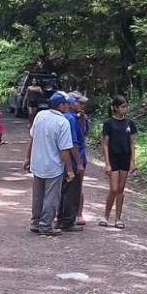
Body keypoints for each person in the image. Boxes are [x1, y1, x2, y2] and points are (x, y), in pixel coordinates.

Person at [23, 102, 74, 236]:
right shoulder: (63, 122)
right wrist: (69, 169)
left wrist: (27, 158)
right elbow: (65, 150)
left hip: (38, 163)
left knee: (38, 195)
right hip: (53, 166)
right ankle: (46, 225)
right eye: (66, 104)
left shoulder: (40, 115)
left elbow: (32, 139)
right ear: (60, 105)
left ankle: (35, 222)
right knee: (52, 197)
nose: (68, 106)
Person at [99, 94, 137, 229]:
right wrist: (107, 163)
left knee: (121, 189)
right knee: (114, 189)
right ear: (115, 108)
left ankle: (118, 218)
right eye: (123, 107)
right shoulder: (108, 123)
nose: (125, 109)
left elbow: (132, 143)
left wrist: (133, 161)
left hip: (125, 157)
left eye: (126, 106)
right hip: (113, 157)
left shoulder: (130, 123)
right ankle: (105, 216)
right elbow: (105, 144)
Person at [51, 93, 84, 232]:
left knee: (64, 190)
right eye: (79, 103)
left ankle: (60, 219)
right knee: (71, 191)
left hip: (63, 160)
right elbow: (73, 144)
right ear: (71, 104)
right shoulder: (70, 119)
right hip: (71, 160)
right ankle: (68, 221)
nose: (82, 106)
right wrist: (79, 163)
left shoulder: (67, 117)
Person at [69, 92, 90, 226]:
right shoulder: (67, 117)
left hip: (80, 155)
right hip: (67, 156)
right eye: (79, 103)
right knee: (65, 186)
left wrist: (82, 119)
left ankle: (79, 213)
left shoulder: (82, 118)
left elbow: (85, 133)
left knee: (78, 186)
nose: (82, 106)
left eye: (83, 103)